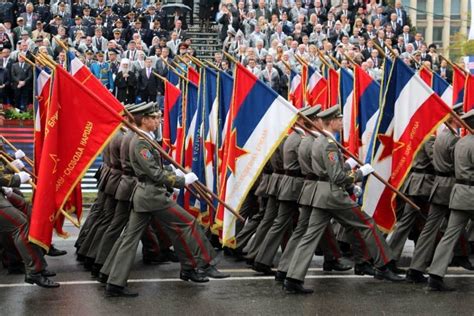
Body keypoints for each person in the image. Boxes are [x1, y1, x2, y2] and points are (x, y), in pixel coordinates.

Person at [105, 103, 228, 297]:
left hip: (146, 195)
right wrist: (182, 180)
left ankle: (114, 281)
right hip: (152, 196)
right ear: (144, 120)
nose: (158, 121)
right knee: (188, 223)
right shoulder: (140, 142)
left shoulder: (145, 138)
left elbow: (156, 168)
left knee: (130, 239)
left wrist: (174, 171)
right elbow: (154, 173)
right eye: (153, 118)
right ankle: (204, 263)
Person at [283, 106, 403, 294]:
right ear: (330, 122)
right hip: (333, 195)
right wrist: (358, 175)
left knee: (310, 236)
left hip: (321, 195)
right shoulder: (329, 144)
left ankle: (293, 277)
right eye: (338, 119)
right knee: (367, 224)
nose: (341, 122)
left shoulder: (319, 140)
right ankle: (384, 265)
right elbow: (337, 177)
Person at [427, 110, 474, 291]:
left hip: (459, 193)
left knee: (449, 236)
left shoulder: (461, 142)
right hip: (471, 192)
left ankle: (435, 275)